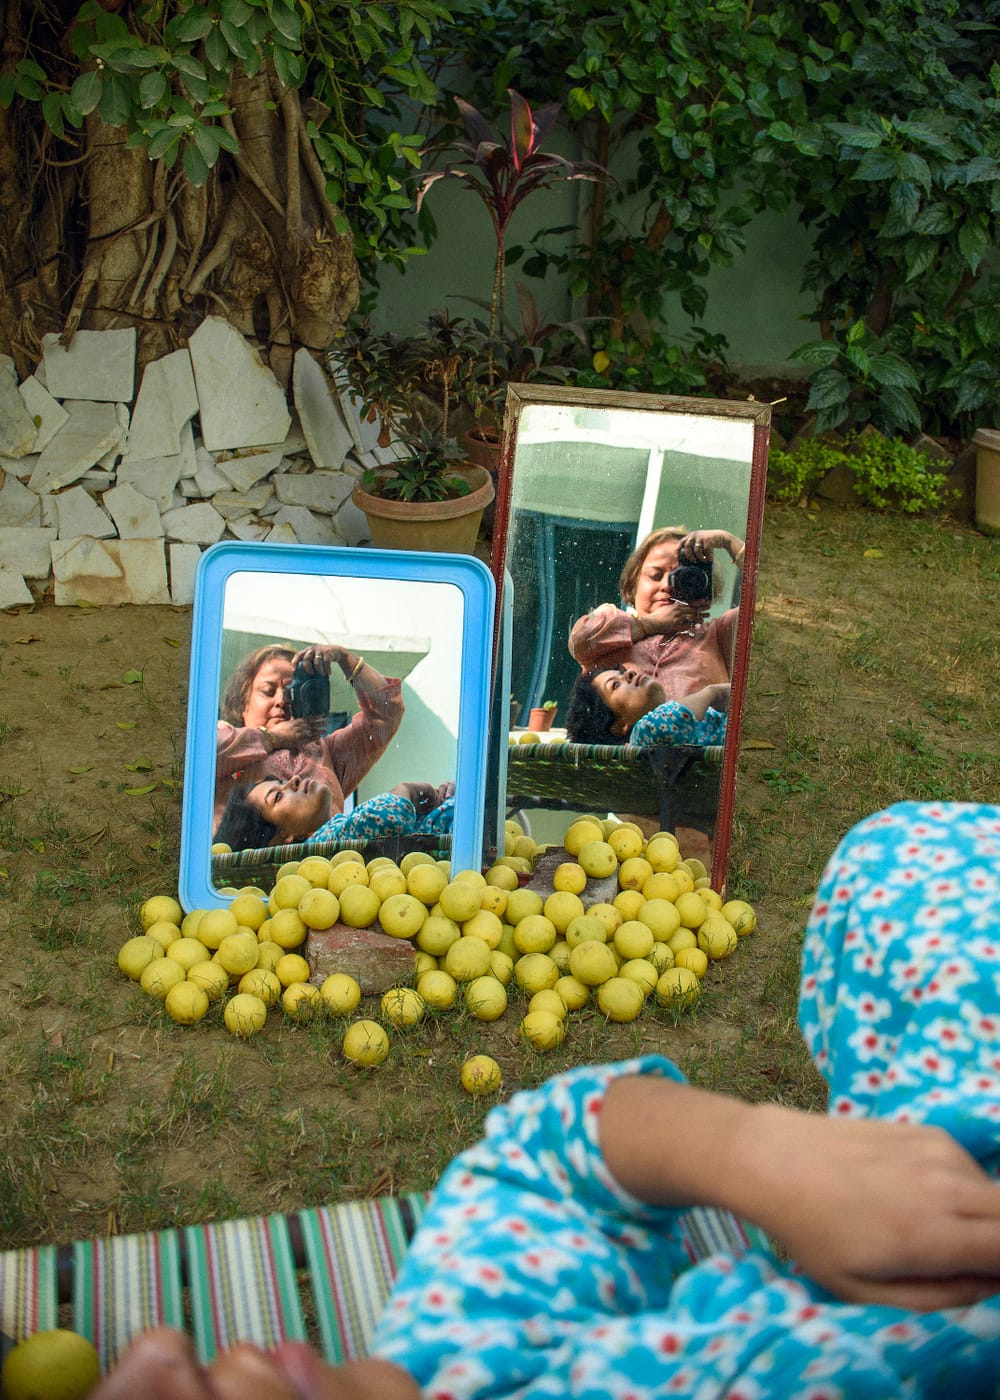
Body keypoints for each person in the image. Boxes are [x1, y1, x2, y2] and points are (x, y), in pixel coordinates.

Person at [90, 802, 1000, 1398]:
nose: (162, 1358)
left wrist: (757, 1151)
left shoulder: (466, 1363)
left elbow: (534, 1159)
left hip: (921, 1178)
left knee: (899, 856)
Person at [214, 643, 404, 835]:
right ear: (243, 703)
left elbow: (387, 713)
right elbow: (197, 756)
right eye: (267, 691)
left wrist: (346, 659)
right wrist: (273, 737)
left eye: (291, 691)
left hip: (329, 862)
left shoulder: (323, 752)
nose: (281, 700)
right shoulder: (227, 739)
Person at [569, 526, 745, 702]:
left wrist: (727, 541)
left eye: (682, 576)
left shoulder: (718, 635)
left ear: (703, 584)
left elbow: (761, 605)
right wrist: (650, 624)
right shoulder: (609, 620)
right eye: (655, 575)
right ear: (634, 582)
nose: (667, 586)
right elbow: (580, 642)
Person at [213, 776, 455, 852]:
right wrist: (406, 791)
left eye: (283, 782)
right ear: (282, 836)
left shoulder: (336, 829)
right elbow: (381, 819)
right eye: (278, 796)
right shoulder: (321, 849)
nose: (294, 780)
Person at [565, 667, 729, 747]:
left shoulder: (692, 713)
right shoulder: (642, 737)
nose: (629, 673)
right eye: (615, 685)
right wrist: (712, 693)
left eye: (621, 673)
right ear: (619, 726)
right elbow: (665, 724)